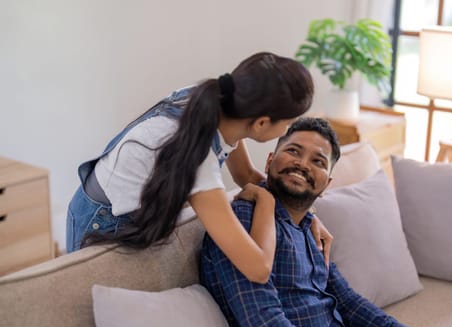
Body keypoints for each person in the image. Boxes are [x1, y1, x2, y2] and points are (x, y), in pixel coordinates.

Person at [66, 52, 333, 283]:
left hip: (113, 201)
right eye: (287, 124)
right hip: (102, 219)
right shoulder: (198, 159)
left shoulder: (220, 103)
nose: (287, 131)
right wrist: (265, 200)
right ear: (262, 123)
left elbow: (245, 175)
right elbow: (259, 268)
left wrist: (305, 214)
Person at [200, 117, 452, 327]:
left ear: (326, 185)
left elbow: (346, 302)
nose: (302, 164)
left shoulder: (310, 227)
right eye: (293, 151)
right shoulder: (242, 221)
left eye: (318, 161)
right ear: (269, 161)